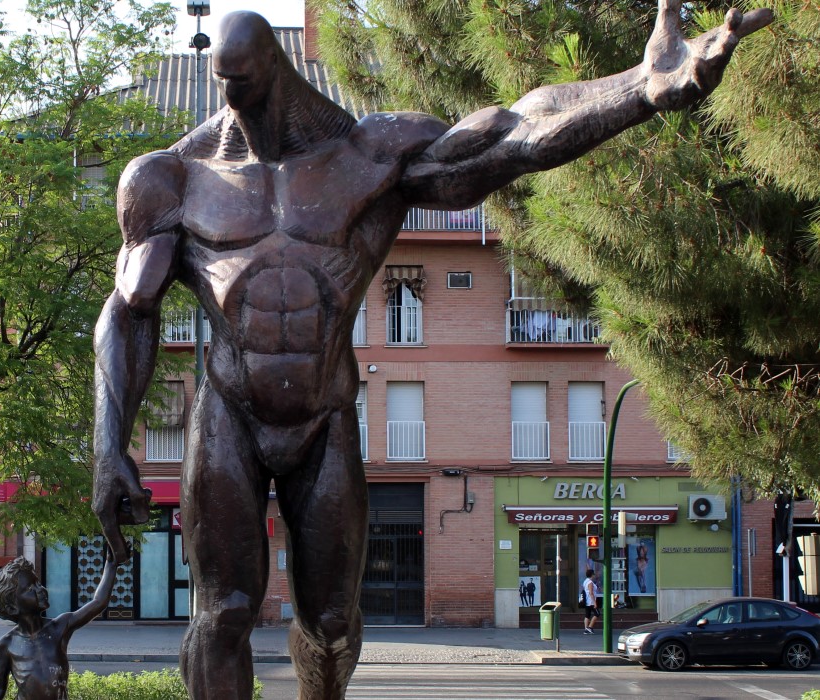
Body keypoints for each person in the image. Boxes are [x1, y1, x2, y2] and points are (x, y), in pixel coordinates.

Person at [90, 4, 770, 697]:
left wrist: (640, 89)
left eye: (244, 81)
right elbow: (128, 311)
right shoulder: (171, 177)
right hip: (229, 412)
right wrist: (108, 444)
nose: (233, 98)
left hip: (323, 418)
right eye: (223, 83)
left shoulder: (369, 157)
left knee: (330, 624)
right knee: (223, 612)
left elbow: (511, 133)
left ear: (276, 67)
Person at [0, 552, 117, 700]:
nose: (40, 589)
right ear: (12, 607)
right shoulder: (7, 644)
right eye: (30, 588)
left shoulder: (59, 627)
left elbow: (99, 602)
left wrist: (111, 566)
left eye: (38, 583)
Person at [582, 569, 600, 634]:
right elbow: (591, 593)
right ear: (592, 575)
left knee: (587, 615)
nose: (594, 575)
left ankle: (586, 629)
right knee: (597, 614)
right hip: (591, 601)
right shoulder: (590, 582)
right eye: (594, 574)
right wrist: (595, 603)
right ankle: (589, 627)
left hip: (587, 601)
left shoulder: (585, 581)